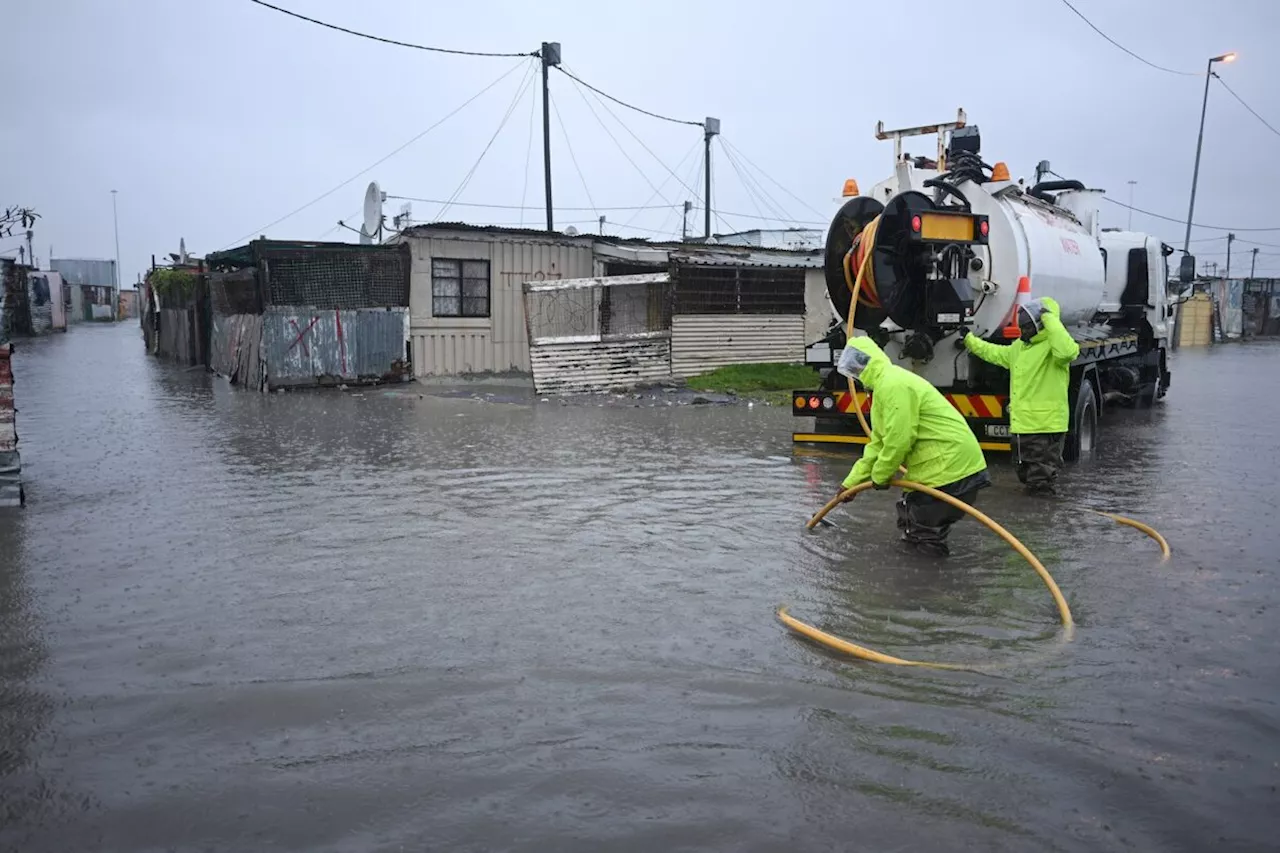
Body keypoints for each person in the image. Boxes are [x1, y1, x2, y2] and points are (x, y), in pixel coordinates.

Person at [836, 337, 991, 557]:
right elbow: (878, 444)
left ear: (865, 364)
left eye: (856, 370)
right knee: (913, 520)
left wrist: (880, 476)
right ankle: (921, 579)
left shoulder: (893, 385)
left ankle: (923, 585)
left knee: (921, 528)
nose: (855, 376)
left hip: (949, 468)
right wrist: (850, 484)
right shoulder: (882, 388)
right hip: (949, 467)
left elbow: (899, 440)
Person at [964, 296, 1080, 495]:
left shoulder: (1054, 348)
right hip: (1022, 427)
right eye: (1021, 327)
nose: (1022, 332)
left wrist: (1050, 320)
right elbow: (995, 353)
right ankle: (1032, 520)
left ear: (1041, 325)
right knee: (1026, 476)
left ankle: (1041, 520)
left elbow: (1068, 352)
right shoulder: (1020, 347)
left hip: (1045, 427)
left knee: (1040, 483)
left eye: (1027, 327)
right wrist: (969, 340)